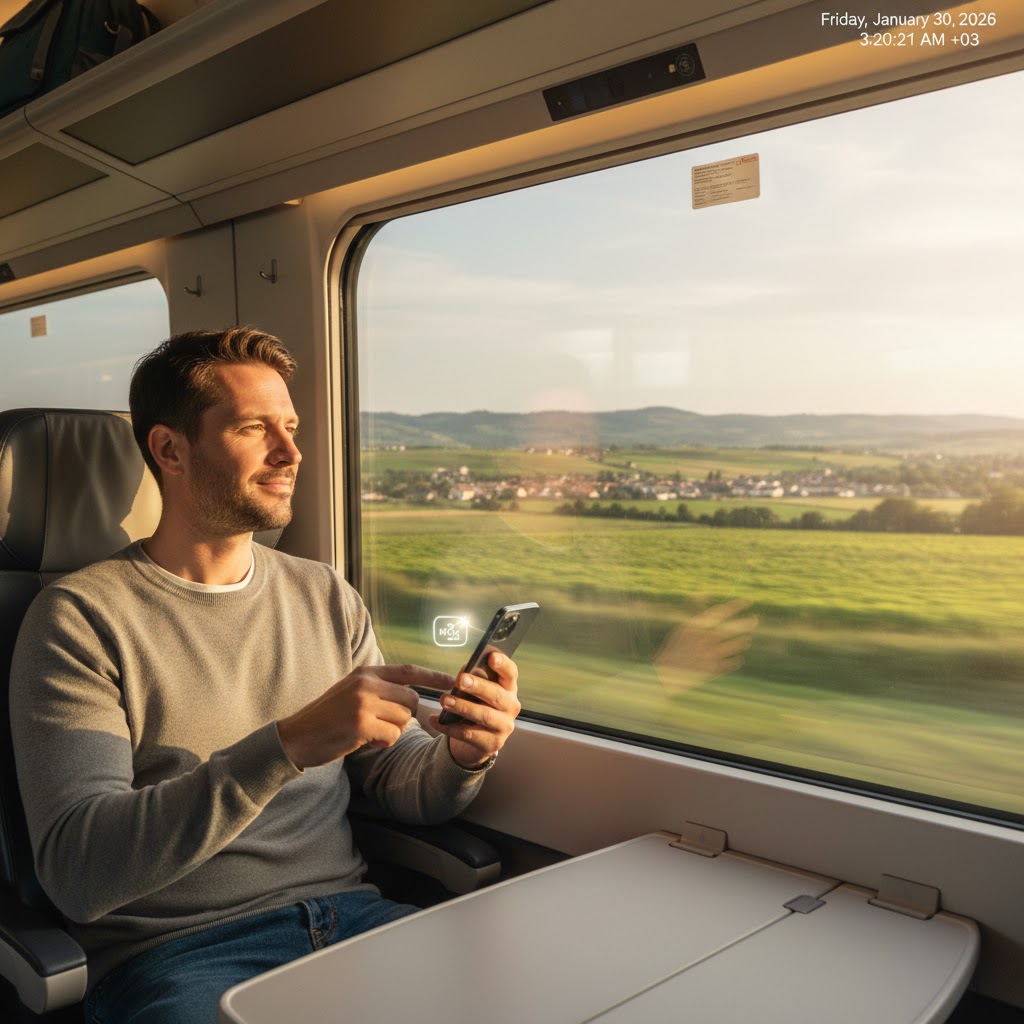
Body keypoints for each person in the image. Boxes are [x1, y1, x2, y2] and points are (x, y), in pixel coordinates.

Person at [9, 327, 521, 1024]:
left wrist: (463, 754)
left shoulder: (323, 593)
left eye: (292, 428)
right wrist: (286, 746)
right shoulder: (79, 618)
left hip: (352, 920)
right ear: (170, 450)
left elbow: (399, 780)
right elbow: (79, 872)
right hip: (178, 957)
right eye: (255, 429)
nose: (291, 453)